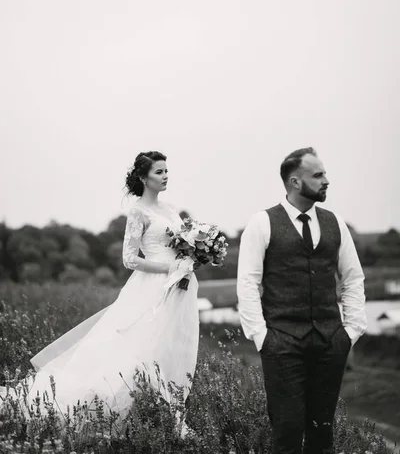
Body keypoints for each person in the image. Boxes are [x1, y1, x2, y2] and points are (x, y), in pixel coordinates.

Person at [0, 151, 198, 427]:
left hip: (180, 288)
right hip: (151, 287)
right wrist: (168, 269)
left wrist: (193, 254)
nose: (166, 176)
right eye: (159, 172)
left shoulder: (171, 209)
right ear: (143, 178)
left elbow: (179, 243)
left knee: (172, 346)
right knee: (138, 348)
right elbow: (129, 259)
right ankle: (119, 409)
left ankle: (171, 412)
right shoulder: (138, 211)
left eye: (167, 171)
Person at [237, 147, 367, 454]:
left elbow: (353, 278)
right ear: (295, 182)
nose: (326, 181)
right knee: (288, 431)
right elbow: (248, 284)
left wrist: (351, 331)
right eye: (318, 175)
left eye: (324, 174)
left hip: (330, 342)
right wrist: (262, 337)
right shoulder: (262, 223)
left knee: (323, 433)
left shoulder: (335, 222)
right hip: (281, 344)